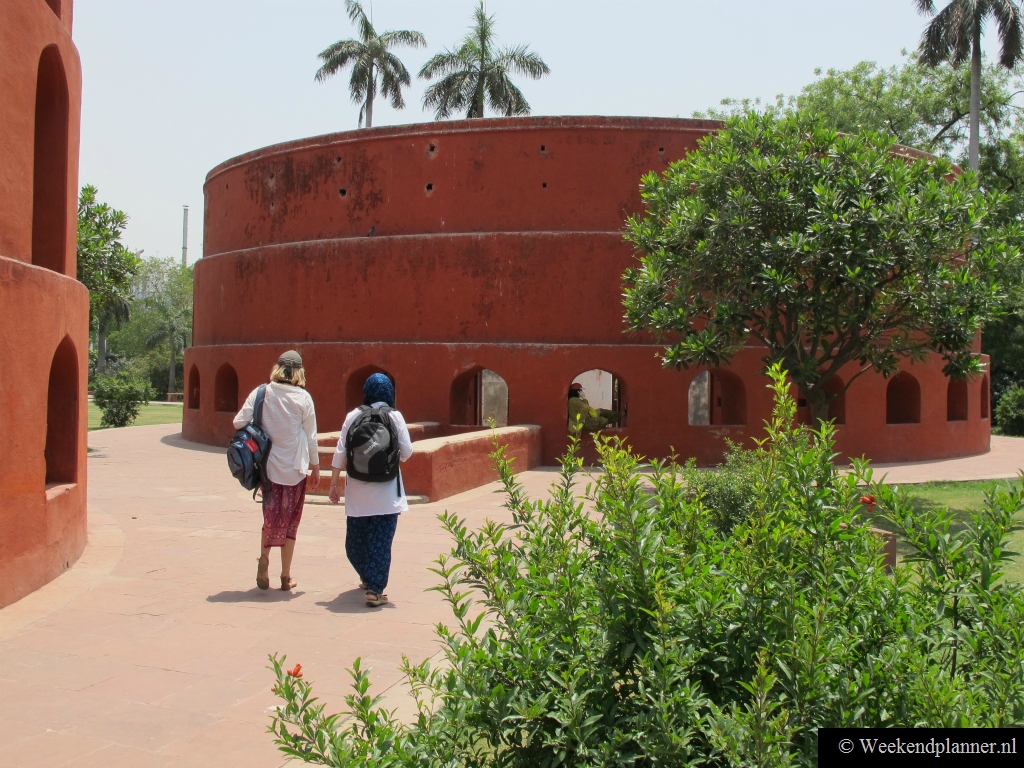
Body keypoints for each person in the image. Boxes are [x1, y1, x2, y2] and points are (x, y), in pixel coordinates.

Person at [234, 350, 320, 592]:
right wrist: (316, 467)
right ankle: (285, 576)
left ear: (278, 369)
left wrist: (261, 431)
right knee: (291, 522)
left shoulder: (262, 392)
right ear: (299, 372)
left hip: (268, 468)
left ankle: (264, 559)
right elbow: (312, 437)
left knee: (269, 518)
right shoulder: (303, 398)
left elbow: (239, 422)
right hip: (295, 469)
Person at [328, 373, 413, 607]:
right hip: (387, 495)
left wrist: (333, 484)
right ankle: (375, 589)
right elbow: (407, 452)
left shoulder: (353, 416)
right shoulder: (394, 416)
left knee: (356, 543)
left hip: (358, 494)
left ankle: (368, 578)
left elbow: (340, 452)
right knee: (380, 543)